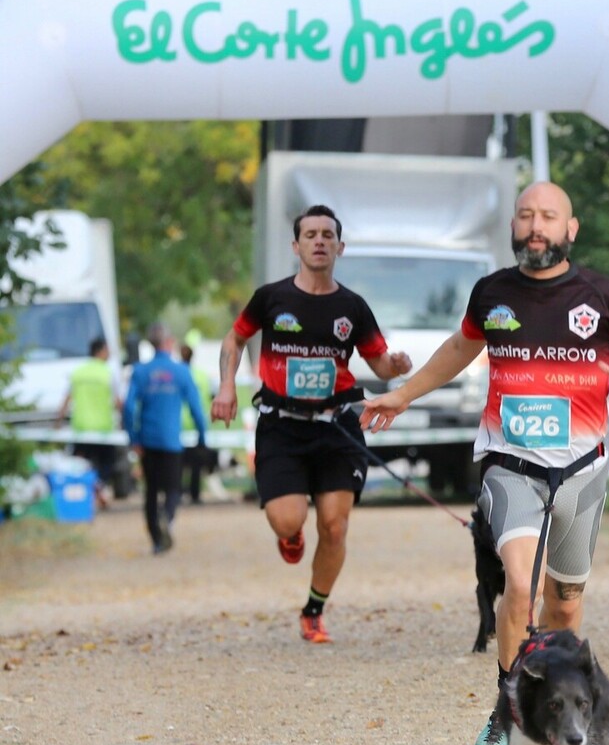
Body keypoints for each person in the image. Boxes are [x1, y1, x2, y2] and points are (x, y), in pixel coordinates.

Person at [360, 181, 609, 745]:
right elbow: (458, 349)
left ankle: (557, 704)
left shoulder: (603, 295)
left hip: (582, 469)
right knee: (520, 587)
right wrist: (400, 396)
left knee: (566, 607)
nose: (536, 226)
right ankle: (508, 709)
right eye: (526, 215)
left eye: (548, 217)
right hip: (511, 466)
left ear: (569, 229)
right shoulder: (492, 293)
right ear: (513, 225)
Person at [210, 204, 412, 645]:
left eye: (327, 235)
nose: (318, 241)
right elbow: (236, 338)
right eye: (310, 234)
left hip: (337, 425)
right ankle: (290, 533)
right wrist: (227, 386)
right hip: (281, 426)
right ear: (296, 245)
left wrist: (395, 364)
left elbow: (379, 361)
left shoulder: (352, 307)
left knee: (335, 526)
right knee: (287, 521)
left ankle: (314, 611)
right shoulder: (271, 298)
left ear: (340, 246)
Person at [122, 323, 208, 554]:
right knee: (172, 488)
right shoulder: (182, 372)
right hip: (171, 440)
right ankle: (166, 517)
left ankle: (156, 540)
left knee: (151, 490)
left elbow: (129, 408)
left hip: (147, 440)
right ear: (169, 343)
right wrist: (202, 435)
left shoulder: (140, 371)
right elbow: (196, 409)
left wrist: (133, 438)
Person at [57, 336, 120, 507]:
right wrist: (125, 422)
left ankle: (84, 493)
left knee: (80, 464)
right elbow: (117, 402)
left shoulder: (79, 372)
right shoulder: (107, 373)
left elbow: (67, 399)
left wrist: (58, 422)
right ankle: (99, 488)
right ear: (99, 351)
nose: (109, 354)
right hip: (103, 428)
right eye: (107, 350)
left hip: (81, 427)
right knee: (106, 463)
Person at [179, 342, 215, 503]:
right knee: (196, 464)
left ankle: (178, 493)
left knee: (178, 463)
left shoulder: (177, 374)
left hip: (179, 425)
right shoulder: (202, 375)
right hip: (197, 425)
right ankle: (195, 494)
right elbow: (210, 397)